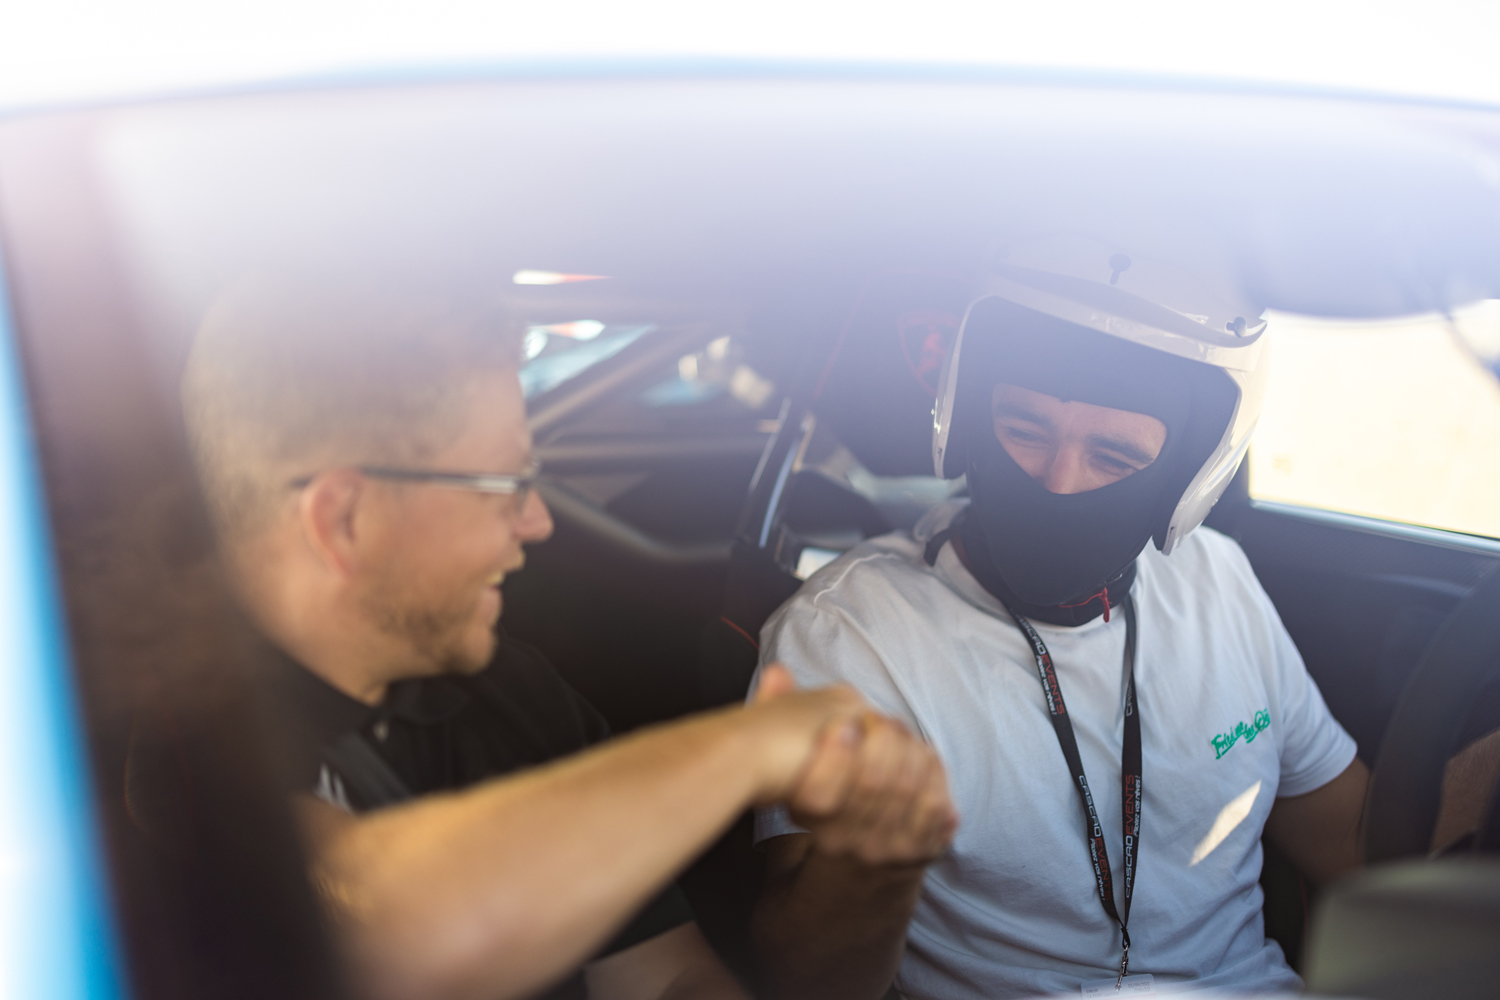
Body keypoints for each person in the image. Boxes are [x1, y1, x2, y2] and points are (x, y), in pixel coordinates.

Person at [178, 277, 957, 1000]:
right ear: (345, 520)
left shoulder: (508, 696)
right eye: (508, 486)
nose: (538, 522)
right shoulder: (181, 737)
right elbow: (386, 929)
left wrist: (871, 867)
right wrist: (754, 747)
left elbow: (668, 982)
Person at [750, 239, 1371, 999]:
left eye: (1114, 457)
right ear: (966, 420)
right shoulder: (849, 632)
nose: (1059, 484)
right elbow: (805, 984)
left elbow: (1354, 842)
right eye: (1024, 430)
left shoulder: (1217, 581)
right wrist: (865, 861)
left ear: (1186, 478)